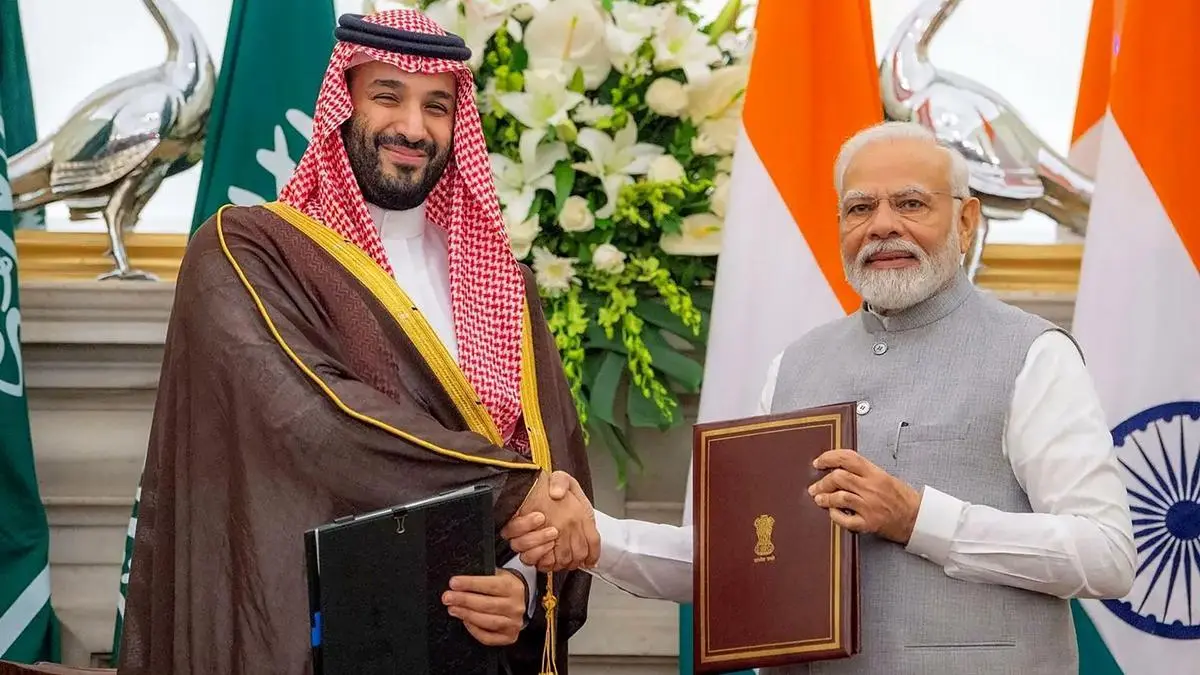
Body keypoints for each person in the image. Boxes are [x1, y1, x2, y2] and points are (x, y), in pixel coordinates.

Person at [506, 121, 1138, 674]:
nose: (883, 225)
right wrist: (593, 535)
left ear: (966, 221)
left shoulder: (1032, 354)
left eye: (912, 203)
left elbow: (1107, 556)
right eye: (860, 208)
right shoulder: (794, 366)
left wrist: (919, 519)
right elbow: (722, 562)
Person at [113, 10, 599, 675]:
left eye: (436, 105)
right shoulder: (246, 250)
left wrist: (521, 585)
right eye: (387, 95)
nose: (412, 127)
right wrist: (514, 491)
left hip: (473, 653)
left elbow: (556, 458)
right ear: (342, 105)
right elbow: (318, 423)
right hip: (316, 636)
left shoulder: (505, 282)